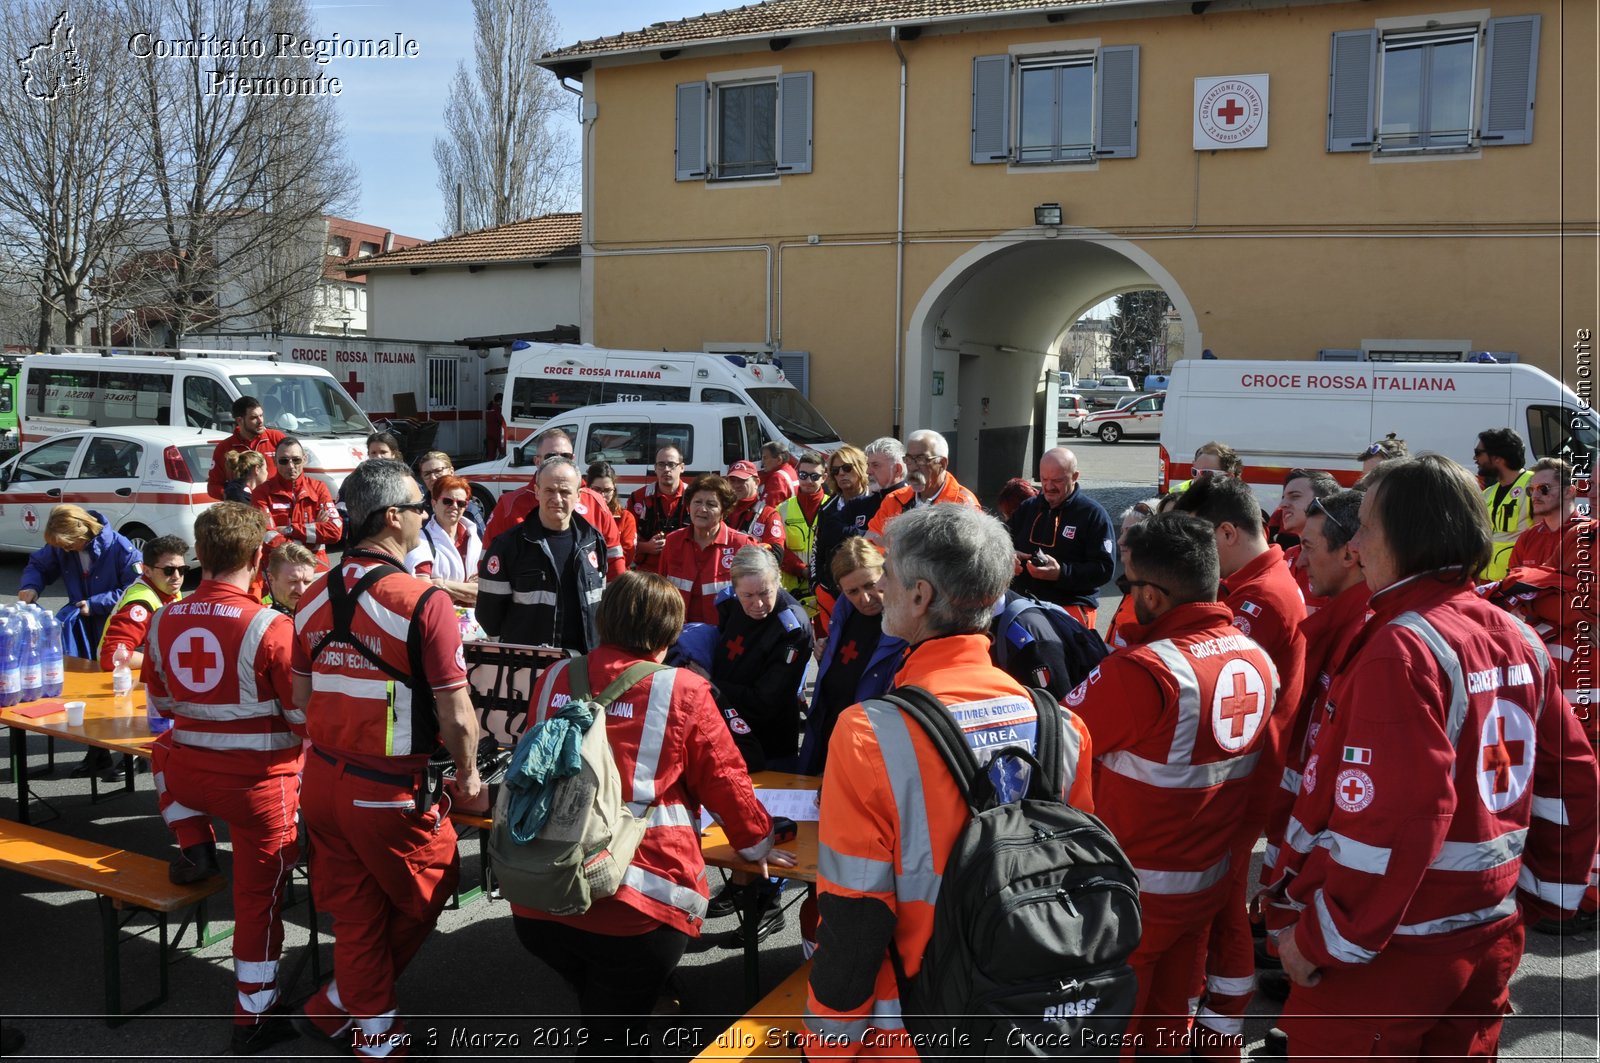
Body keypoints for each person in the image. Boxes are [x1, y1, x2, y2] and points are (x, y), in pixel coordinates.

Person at [1270, 455, 1599, 1059]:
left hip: (1390, 954)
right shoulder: (1515, 632)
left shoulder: (1403, 647)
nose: (1356, 544)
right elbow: (1572, 779)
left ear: (1404, 536)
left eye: (1365, 526)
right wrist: (1541, 895)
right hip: (1488, 936)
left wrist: (1323, 939)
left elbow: (1394, 820)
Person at [802, 505, 1095, 1059]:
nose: (879, 586)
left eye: (887, 573)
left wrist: (825, 1046)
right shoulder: (1063, 727)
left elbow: (854, 914)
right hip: (1031, 1011)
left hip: (915, 1024)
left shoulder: (869, 732)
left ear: (919, 596)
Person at [512, 571, 794, 1056]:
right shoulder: (681, 689)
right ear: (670, 632)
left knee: (603, 1012)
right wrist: (758, 844)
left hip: (540, 892)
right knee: (614, 1034)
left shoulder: (556, 676)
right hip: (635, 903)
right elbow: (727, 780)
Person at [1065, 513, 1280, 1056]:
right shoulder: (1257, 659)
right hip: (1203, 884)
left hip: (1128, 899)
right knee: (1167, 1031)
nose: (1126, 599)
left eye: (1129, 586)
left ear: (1155, 596)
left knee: (1106, 1039)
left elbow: (1057, 749)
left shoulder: (1144, 672)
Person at [291, 459, 485, 1058]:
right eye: (421, 507)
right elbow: (456, 715)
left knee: (354, 914)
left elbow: (301, 699)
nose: (428, 516)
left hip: (322, 780)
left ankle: (357, 1019)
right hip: (390, 790)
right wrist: (472, 777)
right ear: (392, 517)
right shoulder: (424, 602)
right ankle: (359, 1011)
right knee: (435, 882)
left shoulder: (310, 593)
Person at [142, 502, 303, 1055]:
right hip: (263, 791)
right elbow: (302, 719)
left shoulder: (163, 617)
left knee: (158, 750)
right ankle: (253, 1018)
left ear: (198, 558)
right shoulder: (272, 626)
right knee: (258, 902)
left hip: (188, 776)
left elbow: (160, 703)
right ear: (259, 557)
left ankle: (195, 845)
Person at [1173, 473, 1307, 1054]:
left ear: (1226, 532)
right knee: (1220, 897)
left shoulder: (1260, 598)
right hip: (1244, 772)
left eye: (1200, 538)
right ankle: (1218, 1016)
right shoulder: (1255, 584)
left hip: (1243, 777)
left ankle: (1221, 1024)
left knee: (1220, 900)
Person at [1258, 490, 1370, 996]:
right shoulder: (1342, 623)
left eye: (1308, 545)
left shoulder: (1374, 640)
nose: (1299, 559)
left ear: (1350, 553)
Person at [797, 538, 906, 777]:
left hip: (868, 749)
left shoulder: (905, 626)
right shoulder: (842, 613)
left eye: (870, 585)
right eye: (853, 592)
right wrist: (824, 658)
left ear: (885, 575)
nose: (864, 599)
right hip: (828, 738)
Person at [478, 458, 605, 651]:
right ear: (537, 492)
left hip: (585, 662)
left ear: (578, 495)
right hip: (530, 666)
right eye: (549, 490)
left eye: (565, 492)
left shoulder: (593, 541)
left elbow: (601, 604)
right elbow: (489, 614)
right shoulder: (508, 545)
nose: (557, 498)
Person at [708, 545, 813, 772]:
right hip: (724, 733)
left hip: (768, 747)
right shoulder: (731, 604)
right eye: (748, 595)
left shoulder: (793, 629)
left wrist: (709, 685)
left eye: (765, 593)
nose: (757, 604)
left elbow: (766, 700)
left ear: (778, 583)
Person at [483, 428, 625, 579]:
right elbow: (490, 563)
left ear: (574, 459)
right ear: (537, 461)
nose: (559, 462)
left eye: (565, 456)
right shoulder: (509, 505)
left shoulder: (595, 502)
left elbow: (614, 560)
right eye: (551, 456)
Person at [1007, 447, 1115, 629]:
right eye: (1044, 479)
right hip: (1023, 606)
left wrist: (1061, 573)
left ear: (1075, 476)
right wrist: (1008, 557)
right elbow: (1000, 541)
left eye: (1057, 480)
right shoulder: (1028, 508)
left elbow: (1104, 569)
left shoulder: (1092, 514)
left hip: (1069, 609)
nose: (1048, 487)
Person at [19, 504, 140, 659]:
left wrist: (95, 604)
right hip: (79, 627)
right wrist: (31, 586)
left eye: (69, 545)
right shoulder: (62, 545)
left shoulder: (121, 549)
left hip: (113, 626)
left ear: (81, 532)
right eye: (62, 546)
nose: (66, 550)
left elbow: (134, 591)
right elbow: (39, 565)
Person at [658, 474, 759, 626]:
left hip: (725, 635)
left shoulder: (742, 544)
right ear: (688, 506)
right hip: (678, 634)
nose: (702, 509)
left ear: (723, 512)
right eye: (697, 502)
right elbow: (661, 589)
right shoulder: (673, 541)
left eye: (711, 504)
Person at [864, 429, 980, 543]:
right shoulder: (894, 500)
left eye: (921, 459)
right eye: (908, 459)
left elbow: (967, 557)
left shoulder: (963, 505)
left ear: (942, 463)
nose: (913, 467)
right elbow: (868, 547)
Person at [97, 534, 188, 671]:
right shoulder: (140, 605)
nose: (177, 577)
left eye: (182, 570)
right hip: (119, 682)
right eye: (168, 570)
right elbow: (112, 657)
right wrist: (167, 661)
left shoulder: (168, 589)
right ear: (147, 571)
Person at [255, 437, 342, 570]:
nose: (290, 466)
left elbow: (335, 531)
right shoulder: (261, 493)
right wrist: (312, 535)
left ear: (304, 459)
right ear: (274, 461)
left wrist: (289, 530)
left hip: (317, 567)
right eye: (284, 461)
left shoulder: (319, 488)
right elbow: (266, 536)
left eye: (296, 460)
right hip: (279, 570)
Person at [405, 474, 482, 616]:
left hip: (474, 622)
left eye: (461, 503)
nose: (454, 507)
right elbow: (423, 589)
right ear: (434, 504)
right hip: (438, 617)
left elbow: (482, 591)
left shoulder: (474, 539)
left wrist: (440, 583)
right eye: (447, 501)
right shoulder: (420, 540)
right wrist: (467, 589)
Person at [1474, 426, 1535, 581]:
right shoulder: (1488, 493)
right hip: (1487, 584)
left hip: (1517, 584)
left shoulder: (1534, 487)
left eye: (1478, 453)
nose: (1475, 459)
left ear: (1497, 458)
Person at [1273, 469, 1340, 610]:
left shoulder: (1338, 561)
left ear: (1323, 503)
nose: (1282, 505)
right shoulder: (1287, 556)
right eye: (1283, 497)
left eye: (1295, 496)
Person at [1508, 457, 1590, 571]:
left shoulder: (1591, 534)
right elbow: (1512, 582)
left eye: (1543, 488)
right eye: (1531, 490)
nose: (1534, 496)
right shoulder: (1527, 538)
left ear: (1569, 491)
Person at [777, 451, 828, 618]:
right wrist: (802, 570)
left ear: (824, 477)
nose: (808, 481)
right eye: (803, 475)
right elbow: (778, 548)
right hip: (791, 591)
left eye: (814, 476)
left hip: (824, 588)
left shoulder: (833, 506)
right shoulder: (782, 509)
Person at [208, 396, 287, 501]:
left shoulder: (277, 438)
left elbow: (295, 473)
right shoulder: (224, 448)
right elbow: (213, 487)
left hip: (275, 505)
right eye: (254, 417)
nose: (260, 421)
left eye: (261, 415)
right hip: (243, 511)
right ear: (239, 420)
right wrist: (235, 496)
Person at [1106, 500, 1158, 648]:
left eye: (1130, 532)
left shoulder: (1156, 595)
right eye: (1122, 531)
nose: (1120, 540)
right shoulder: (1132, 587)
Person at [629, 445, 688, 574]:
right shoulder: (638, 498)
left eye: (671, 464)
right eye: (661, 464)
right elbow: (625, 539)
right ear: (655, 468)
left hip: (683, 570)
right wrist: (646, 547)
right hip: (647, 571)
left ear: (682, 467)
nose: (666, 469)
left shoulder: (694, 498)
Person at [839, 437, 907, 537]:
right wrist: (868, 536)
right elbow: (830, 528)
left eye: (875, 465)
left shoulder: (915, 504)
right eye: (868, 465)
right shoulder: (858, 504)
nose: (868, 471)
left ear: (897, 469)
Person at [416, 450, 486, 536]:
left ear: (451, 472)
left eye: (438, 471)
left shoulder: (468, 511)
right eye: (427, 474)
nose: (433, 478)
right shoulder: (418, 510)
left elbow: (482, 545)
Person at [725, 460, 787, 554]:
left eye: (742, 480)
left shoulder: (768, 515)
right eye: (732, 480)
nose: (736, 485)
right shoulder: (721, 510)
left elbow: (777, 553)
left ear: (756, 482)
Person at [586, 460, 638, 568]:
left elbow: (627, 556)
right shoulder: (580, 515)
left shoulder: (625, 518)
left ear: (614, 489)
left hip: (614, 577)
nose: (602, 495)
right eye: (597, 489)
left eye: (607, 490)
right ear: (588, 488)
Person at [1170, 440, 1244, 494]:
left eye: (1206, 472)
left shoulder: (1240, 504)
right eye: (1195, 472)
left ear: (1229, 477)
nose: (1197, 479)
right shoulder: (1176, 495)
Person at [265, 542, 317, 616]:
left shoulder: (319, 609)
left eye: (307, 582)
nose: (301, 591)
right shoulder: (261, 616)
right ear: (270, 580)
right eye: (293, 581)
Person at [760, 440, 798, 508]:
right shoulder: (791, 471)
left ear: (779, 460)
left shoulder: (777, 478)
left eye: (765, 458)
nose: (762, 462)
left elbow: (767, 509)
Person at [485, 393, 505, 460]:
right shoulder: (497, 409)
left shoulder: (489, 408)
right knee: (502, 451)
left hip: (489, 433)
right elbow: (501, 420)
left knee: (491, 454)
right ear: (499, 400)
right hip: (497, 433)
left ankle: (489, 467)